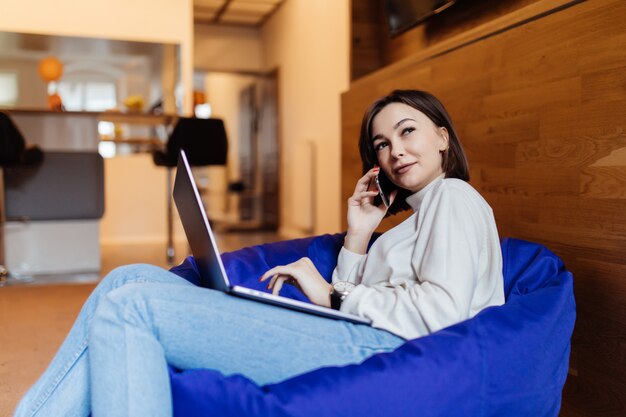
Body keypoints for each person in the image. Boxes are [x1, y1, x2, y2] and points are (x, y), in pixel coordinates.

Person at [14, 90, 504, 417]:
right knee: (126, 280)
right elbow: (365, 295)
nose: (394, 150)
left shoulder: (453, 197)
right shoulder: (416, 217)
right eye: (381, 143)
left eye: (407, 131)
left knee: (132, 307)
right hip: (360, 334)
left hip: (383, 351)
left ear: (443, 136)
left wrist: (333, 297)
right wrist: (357, 237)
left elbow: (442, 314)